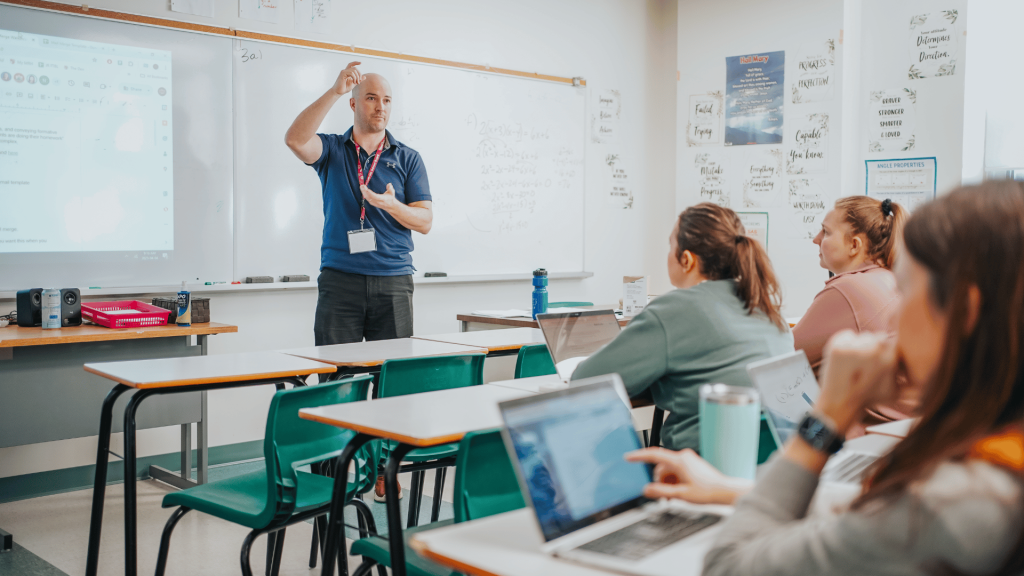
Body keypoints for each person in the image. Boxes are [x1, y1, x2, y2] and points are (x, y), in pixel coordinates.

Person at [628, 182, 1024, 576]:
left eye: (903, 291)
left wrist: (829, 417)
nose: (891, 319)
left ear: (962, 311)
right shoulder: (995, 456)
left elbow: (729, 564)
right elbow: (868, 512)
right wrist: (730, 490)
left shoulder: (953, 507)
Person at [285, 62, 433, 501]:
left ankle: (386, 470)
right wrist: (331, 90)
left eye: (387, 100)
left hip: (393, 283)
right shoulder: (331, 150)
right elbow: (295, 140)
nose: (380, 107)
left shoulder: (407, 158)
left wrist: (391, 207)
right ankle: (329, 482)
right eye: (371, 98)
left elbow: (424, 221)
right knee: (335, 381)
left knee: (392, 382)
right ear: (354, 103)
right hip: (342, 283)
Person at [571, 203, 793, 451]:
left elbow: (585, 381)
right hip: (771, 464)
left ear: (686, 259)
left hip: (699, 472)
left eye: (670, 246)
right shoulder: (766, 307)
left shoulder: (674, 310)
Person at [794, 196, 906, 376]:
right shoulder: (888, 277)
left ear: (854, 245)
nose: (816, 239)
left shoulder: (848, 288)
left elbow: (784, 353)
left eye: (826, 232)